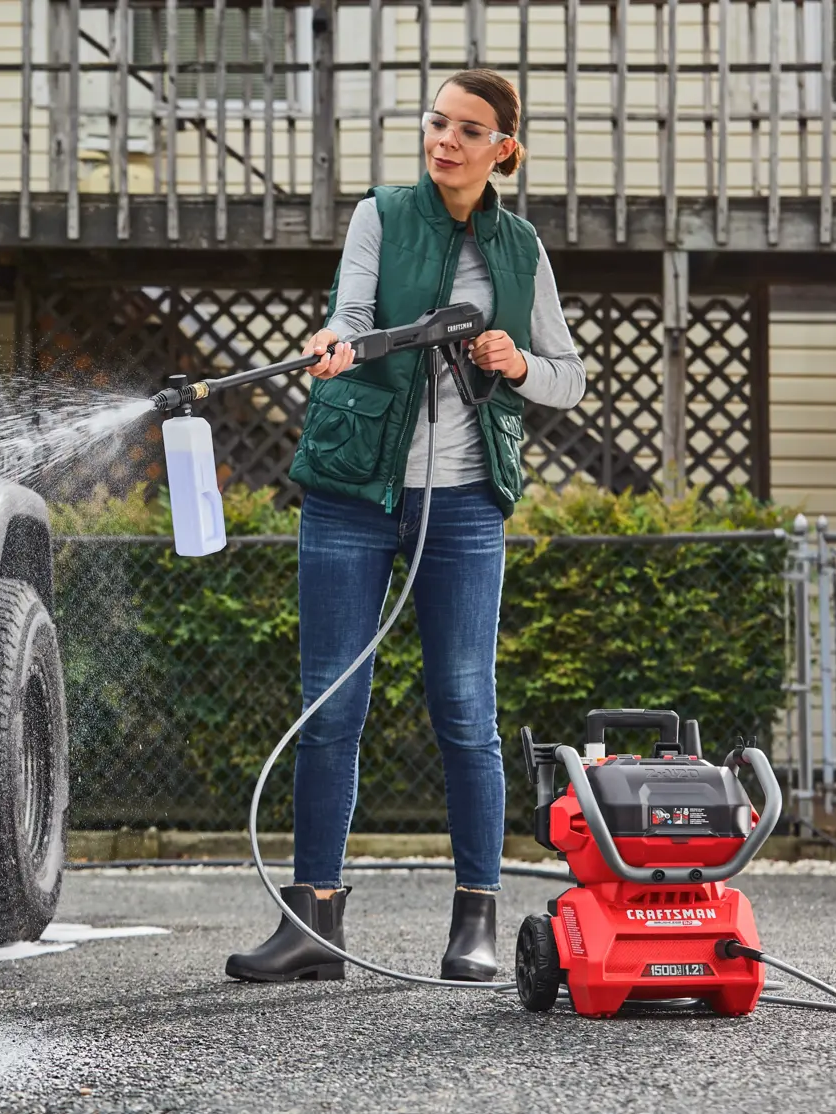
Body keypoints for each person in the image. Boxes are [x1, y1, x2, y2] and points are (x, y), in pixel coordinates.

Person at [226, 69, 587, 984]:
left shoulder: (521, 249)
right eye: (437, 122)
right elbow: (351, 315)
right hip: (352, 491)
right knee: (330, 708)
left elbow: (569, 376)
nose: (445, 141)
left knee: (466, 712)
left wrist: (516, 363)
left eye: (468, 130)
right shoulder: (381, 215)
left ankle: (475, 922)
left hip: (462, 504)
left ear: (503, 148)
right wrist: (334, 344)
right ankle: (311, 924)